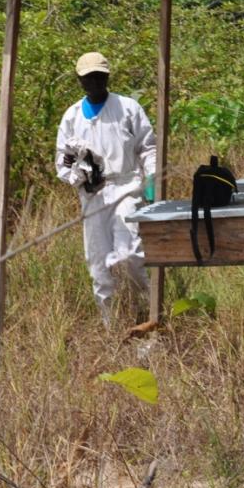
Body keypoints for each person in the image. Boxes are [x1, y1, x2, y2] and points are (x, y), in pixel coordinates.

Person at [55, 52, 157, 325]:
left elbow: (147, 147)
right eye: (89, 78)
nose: (95, 82)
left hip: (126, 187)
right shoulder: (72, 116)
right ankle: (110, 323)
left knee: (131, 254)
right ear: (80, 80)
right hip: (92, 195)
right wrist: (77, 174)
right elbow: (62, 164)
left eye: (99, 76)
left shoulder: (128, 108)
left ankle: (145, 314)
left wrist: (151, 182)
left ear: (108, 77)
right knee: (98, 262)